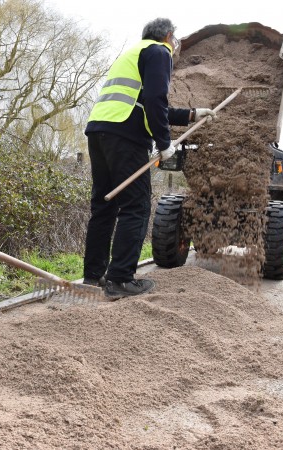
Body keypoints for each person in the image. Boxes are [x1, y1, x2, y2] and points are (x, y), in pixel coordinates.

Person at [82, 17, 216, 299]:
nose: (175, 46)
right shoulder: (159, 52)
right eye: (175, 40)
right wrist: (164, 142)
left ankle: (93, 276)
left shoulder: (132, 54)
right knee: (137, 206)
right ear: (168, 36)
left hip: (100, 131)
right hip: (126, 136)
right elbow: (156, 100)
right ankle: (120, 279)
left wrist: (192, 114)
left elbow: (146, 103)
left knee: (103, 206)